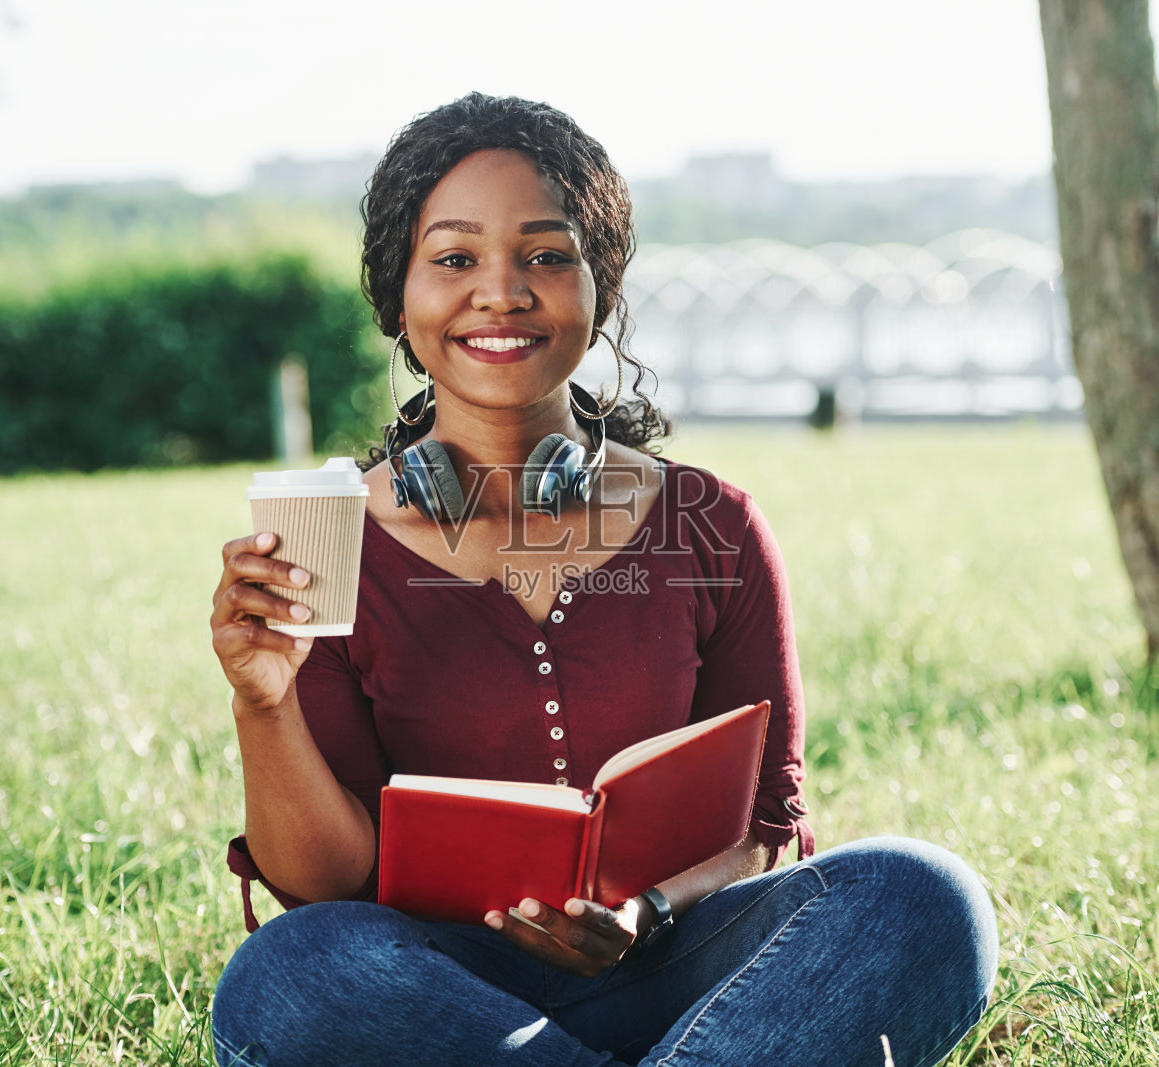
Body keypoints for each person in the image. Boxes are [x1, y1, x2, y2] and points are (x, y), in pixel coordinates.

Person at [208, 93, 997, 1067]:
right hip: (439, 999)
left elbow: (761, 828)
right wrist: (262, 700)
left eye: (545, 254)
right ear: (395, 296)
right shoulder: (330, 541)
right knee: (293, 966)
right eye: (454, 258)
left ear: (601, 283)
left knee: (916, 891)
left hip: (678, 964)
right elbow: (324, 886)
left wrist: (646, 908)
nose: (500, 292)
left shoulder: (714, 525)